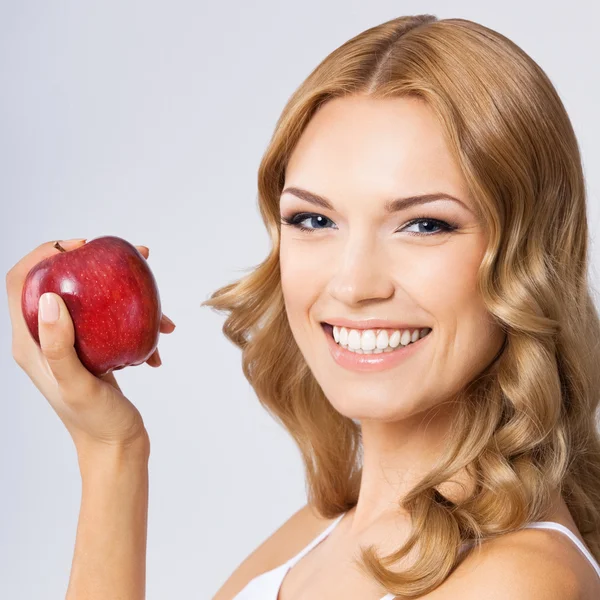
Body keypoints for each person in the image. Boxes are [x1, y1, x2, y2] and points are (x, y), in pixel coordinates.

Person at [5, 13, 600, 600]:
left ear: (529, 257)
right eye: (314, 219)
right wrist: (112, 451)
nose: (352, 282)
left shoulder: (518, 581)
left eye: (424, 224)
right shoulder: (327, 527)